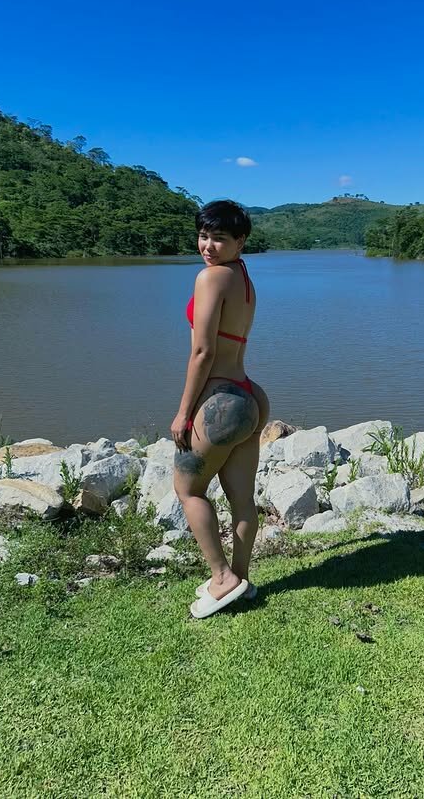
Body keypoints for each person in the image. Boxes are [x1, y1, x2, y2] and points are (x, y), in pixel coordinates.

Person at [171, 200, 270, 619]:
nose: (208, 246)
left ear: (240, 241)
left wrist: (183, 413)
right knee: (242, 499)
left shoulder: (210, 278)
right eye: (203, 236)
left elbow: (203, 352)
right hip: (249, 395)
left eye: (219, 238)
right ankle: (241, 579)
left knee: (188, 490)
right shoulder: (242, 276)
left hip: (220, 404)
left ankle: (222, 577)